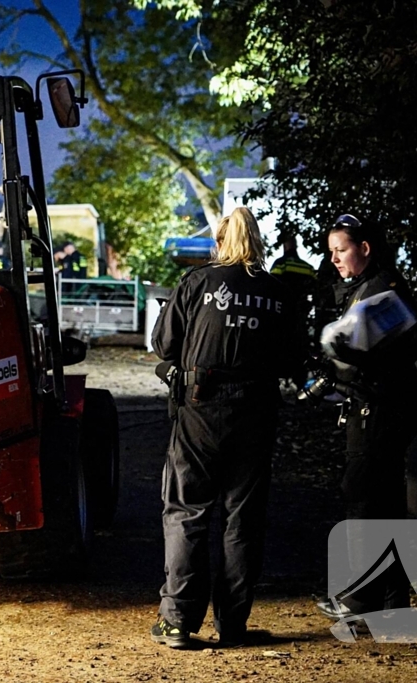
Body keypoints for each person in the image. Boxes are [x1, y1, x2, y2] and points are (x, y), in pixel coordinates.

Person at [150, 207, 302, 649]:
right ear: (259, 243)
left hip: (200, 409)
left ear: (219, 242)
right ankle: (232, 624)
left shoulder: (197, 283)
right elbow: (294, 360)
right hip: (256, 412)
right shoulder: (279, 293)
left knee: (187, 512)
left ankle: (177, 621)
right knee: (243, 520)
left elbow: (164, 345)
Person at [314, 213, 417, 622]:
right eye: (331, 252)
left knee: (363, 497)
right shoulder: (369, 287)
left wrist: (342, 352)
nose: (334, 260)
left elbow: (390, 351)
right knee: (386, 501)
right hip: (382, 404)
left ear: (365, 248)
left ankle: (359, 602)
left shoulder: (381, 291)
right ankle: (392, 601)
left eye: (341, 250)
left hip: (380, 407)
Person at [269, 233, 318, 388]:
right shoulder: (307, 267)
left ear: (285, 246)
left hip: (282, 317)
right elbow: (316, 290)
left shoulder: (280, 265)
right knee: (300, 350)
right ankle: (300, 385)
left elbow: (271, 288)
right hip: (301, 318)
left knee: (280, 349)